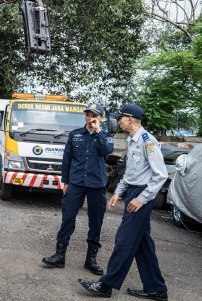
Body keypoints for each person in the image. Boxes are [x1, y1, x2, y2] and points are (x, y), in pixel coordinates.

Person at [79, 103, 168, 300]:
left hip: (143, 194)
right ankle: (156, 289)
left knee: (124, 240)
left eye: (120, 118)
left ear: (130, 119)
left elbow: (160, 175)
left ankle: (106, 285)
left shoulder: (148, 141)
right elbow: (131, 172)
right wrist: (118, 192)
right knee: (143, 244)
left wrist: (142, 199)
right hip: (135, 191)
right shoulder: (133, 140)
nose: (118, 121)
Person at [42, 103, 113, 274]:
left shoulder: (106, 136)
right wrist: (65, 181)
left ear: (101, 118)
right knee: (67, 217)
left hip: (96, 184)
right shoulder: (75, 135)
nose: (90, 118)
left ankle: (91, 259)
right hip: (76, 182)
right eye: (88, 115)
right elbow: (67, 159)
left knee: (96, 221)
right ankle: (59, 255)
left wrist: (97, 132)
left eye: (94, 115)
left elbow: (106, 151)